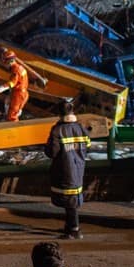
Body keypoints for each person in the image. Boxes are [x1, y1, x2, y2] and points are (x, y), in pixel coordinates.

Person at [45, 100, 89, 239]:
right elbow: (87, 144)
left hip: (64, 168)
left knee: (69, 200)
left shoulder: (58, 130)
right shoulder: (80, 128)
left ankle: (74, 230)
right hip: (78, 167)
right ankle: (69, 226)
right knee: (73, 197)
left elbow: (52, 152)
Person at [3, 50, 29, 121]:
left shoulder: (15, 70)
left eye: (5, 62)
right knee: (13, 111)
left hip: (18, 95)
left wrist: (2, 87)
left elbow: (12, 83)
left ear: (9, 62)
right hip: (21, 93)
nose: (4, 64)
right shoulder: (20, 67)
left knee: (12, 116)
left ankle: (12, 129)